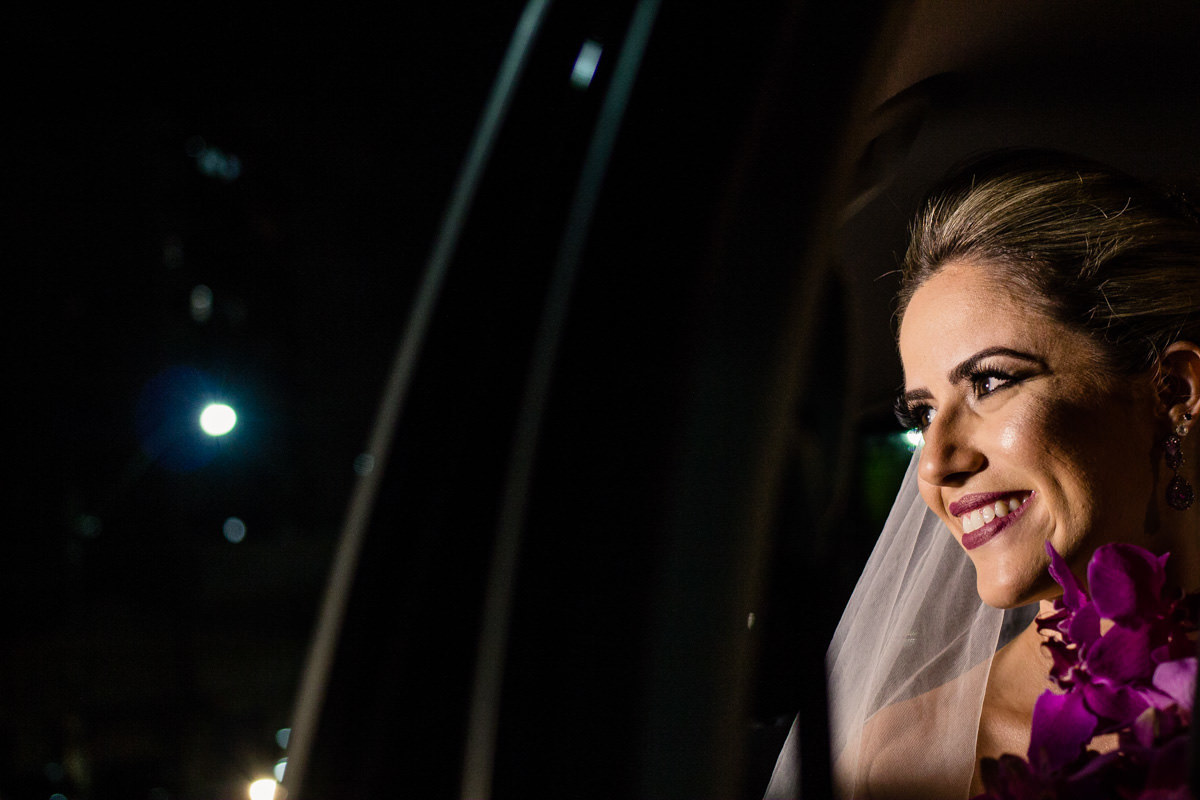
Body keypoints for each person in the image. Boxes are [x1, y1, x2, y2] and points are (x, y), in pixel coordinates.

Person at [764, 149, 1200, 799]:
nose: (934, 464)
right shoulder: (900, 764)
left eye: (990, 382)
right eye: (922, 414)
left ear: (1174, 389)